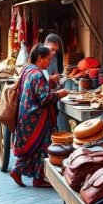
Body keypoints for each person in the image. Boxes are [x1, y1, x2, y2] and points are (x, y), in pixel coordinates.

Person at [10, 45, 69, 188]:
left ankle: (36, 177)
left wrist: (49, 82)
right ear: (40, 58)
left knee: (36, 149)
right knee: (41, 147)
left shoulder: (28, 70)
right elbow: (45, 98)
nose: (49, 62)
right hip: (36, 119)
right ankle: (25, 173)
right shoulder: (37, 74)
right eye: (48, 59)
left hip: (27, 116)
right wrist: (59, 94)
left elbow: (34, 88)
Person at [44, 33, 70, 131]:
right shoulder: (40, 56)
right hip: (45, 98)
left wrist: (56, 78)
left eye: (56, 50)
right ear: (45, 45)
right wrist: (50, 78)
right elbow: (40, 78)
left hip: (52, 94)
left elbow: (55, 71)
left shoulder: (54, 56)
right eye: (52, 49)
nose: (54, 52)